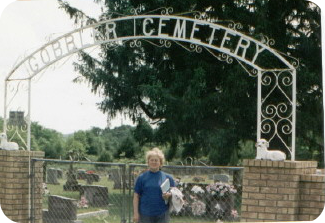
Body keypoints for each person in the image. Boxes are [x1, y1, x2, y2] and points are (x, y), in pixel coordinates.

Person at [133, 147, 175, 223]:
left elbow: (175, 193)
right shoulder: (141, 177)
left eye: (156, 160)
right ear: (148, 162)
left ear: (160, 163)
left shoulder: (168, 178)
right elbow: (136, 196)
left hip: (162, 213)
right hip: (145, 214)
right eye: (152, 160)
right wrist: (136, 213)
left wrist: (169, 194)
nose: (154, 162)